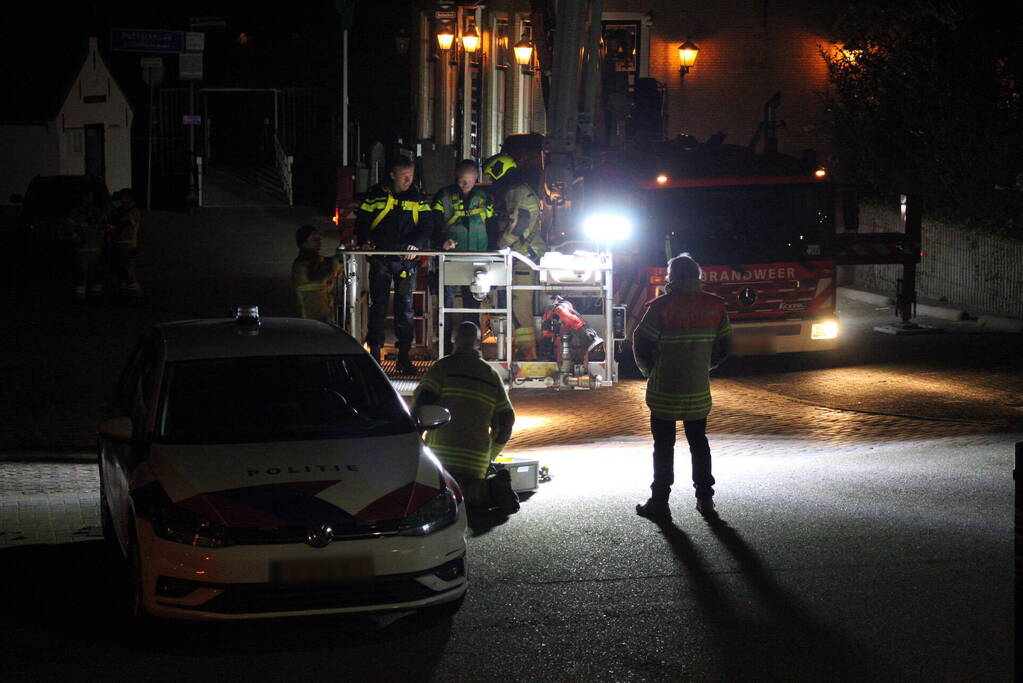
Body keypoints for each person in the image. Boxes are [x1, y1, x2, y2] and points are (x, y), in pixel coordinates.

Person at [633, 253, 732, 520]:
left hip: (664, 391)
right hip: (698, 391)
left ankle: (660, 502)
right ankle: (705, 500)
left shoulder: (661, 307)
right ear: (698, 276)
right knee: (699, 443)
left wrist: (649, 371)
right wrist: (704, 367)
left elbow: (641, 342)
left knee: (663, 447)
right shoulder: (715, 306)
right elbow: (724, 347)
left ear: (671, 278)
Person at [413, 321, 519, 514]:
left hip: (441, 456)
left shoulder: (442, 368)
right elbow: (506, 420)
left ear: (454, 340)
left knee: (433, 497)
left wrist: (415, 444)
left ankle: (483, 491)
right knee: (465, 496)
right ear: (478, 343)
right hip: (477, 461)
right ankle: (488, 489)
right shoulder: (491, 375)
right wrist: (491, 455)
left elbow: (421, 407)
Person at [355, 156, 433, 375]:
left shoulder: (418, 197)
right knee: (378, 306)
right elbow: (362, 220)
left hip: (406, 261)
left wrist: (416, 245)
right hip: (381, 258)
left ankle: (404, 357)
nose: (409, 180)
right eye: (404, 176)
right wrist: (365, 241)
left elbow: (427, 225)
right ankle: (375, 356)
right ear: (392, 175)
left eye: (411, 175)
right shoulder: (376, 194)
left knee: (405, 308)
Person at [483, 153, 544, 360]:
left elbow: (518, 226)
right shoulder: (513, 192)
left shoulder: (521, 193)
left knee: (520, 307)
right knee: (512, 305)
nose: (491, 182)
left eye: (492, 177)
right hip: (514, 257)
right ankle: (519, 349)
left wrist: (499, 246)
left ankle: (528, 353)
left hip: (523, 258)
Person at [432, 159, 494, 347]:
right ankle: (444, 345)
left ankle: (470, 345)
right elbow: (433, 224)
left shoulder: (484, 198)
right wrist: (441, 242)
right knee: (445, 304)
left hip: (477, 259)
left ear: (476, 178)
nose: (465, 184)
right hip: (449, 258)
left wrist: (494, 254)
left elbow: (493, 226)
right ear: (456, 177)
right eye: (461, 180)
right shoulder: (443, 197)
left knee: (473, 303)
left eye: (469, 180)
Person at [291, 225, 341, 323]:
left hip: (323, 317)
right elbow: (322, 273)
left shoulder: (316, 260)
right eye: (314, 239)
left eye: (319, 239)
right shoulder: (301, 265)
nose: (319, 242)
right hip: (311, 320)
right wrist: (341, 257)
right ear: (304, 243)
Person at [68, 191, 107, 301]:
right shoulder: (75, 212)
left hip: (95, 246)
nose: (88, 199)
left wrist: (102, 238)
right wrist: (75, 237)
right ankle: (80, 296)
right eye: (86, 197)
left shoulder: (97, 211)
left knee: (97, 271)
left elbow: (103, 226)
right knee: (81, 271)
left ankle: (96, 295)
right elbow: (70, 226)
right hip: (82, 247)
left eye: (90, 197)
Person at [110, 189, 142, 302]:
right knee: (120, 271)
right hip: (118, 243)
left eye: (123, 196)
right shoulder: (119, 211)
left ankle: (136, 295)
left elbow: (127, 222)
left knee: (129, 270)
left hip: (129, 244)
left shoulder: (134, 211)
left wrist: (115, 218)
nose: (121, 199)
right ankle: (124, 294)